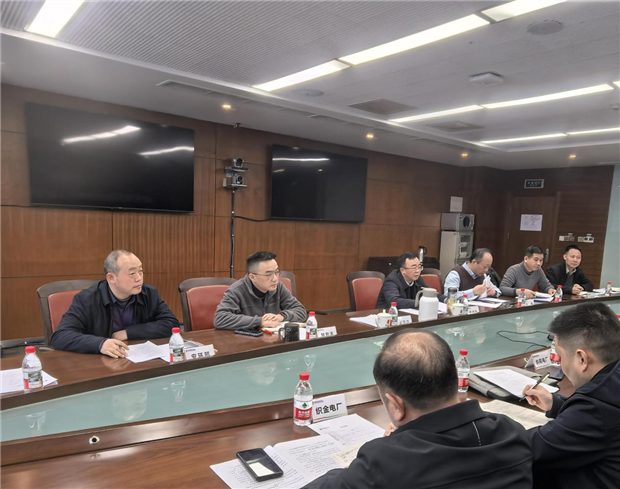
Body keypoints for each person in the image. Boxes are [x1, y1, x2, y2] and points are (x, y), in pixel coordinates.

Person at [305, 330, 533, 488]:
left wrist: (355, 469)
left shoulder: (384, 463)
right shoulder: (511, 432)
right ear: (455, 378)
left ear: (395, 406)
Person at [523, 302, 620, 489]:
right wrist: (556, 404)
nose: (561, 364)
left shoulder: (594, 409)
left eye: (560, 356)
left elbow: (530, 447)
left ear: (582, 358)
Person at [52, 250, 179, 357]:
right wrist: (100, 344)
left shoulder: (148, 293)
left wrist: (128, 333)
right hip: (99, 364)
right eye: (132, 273)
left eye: (140, 271)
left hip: (136, 359)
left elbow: (171, 324)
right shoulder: (87, 299)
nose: (139, 278)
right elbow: (61, 336)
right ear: (111, 278)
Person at [214, 251, 307, 330]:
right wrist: (260, 321)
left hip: (271, 339)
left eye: (276, 272)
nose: (275, 279)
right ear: (252, 277)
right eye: (268, 274)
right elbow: (220, 319)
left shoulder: (278, 286)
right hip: (245, 340)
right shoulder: (236, 290)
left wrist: (281, 316)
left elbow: (301, 311)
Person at [376, 252, 445, 309]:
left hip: (408, 314)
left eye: (419, 267)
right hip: (387, 315)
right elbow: (394, 301)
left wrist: (446, 300)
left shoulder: (417, 278)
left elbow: (429, 293)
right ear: (403, 270)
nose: (418, 271)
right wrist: (419, 303)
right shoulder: (391, 281)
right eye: (414, 267)